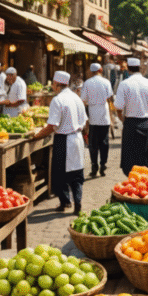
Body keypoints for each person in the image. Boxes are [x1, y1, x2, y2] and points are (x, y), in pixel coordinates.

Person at [31, 71, 86, 213]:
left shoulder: (58, 100)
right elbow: (85, 121)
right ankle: (77, 204)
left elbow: (52, 125)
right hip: (78, 139)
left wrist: (37, 136)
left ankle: (65, 202)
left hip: (64, 139)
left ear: (56, 84)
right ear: (66, 84)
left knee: (59, 174)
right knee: (77, 174)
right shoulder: (76, 97)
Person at [114, 58, 148, 175]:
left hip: (130, 124)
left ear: (128, 68)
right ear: (140, 68)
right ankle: (143, 184)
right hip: (146, 123)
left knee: (129, 160)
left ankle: (132, 182)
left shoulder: (124, 84)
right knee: (145, 159)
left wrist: (122, 119)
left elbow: (118, 106)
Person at [81, 63, 114, 177]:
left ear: (91, 71)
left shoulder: (87, 83)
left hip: (93, 116)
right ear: (100, 70)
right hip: (104, 116)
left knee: (93, 144)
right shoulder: (106, 82)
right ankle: (103, 165)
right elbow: (109, 97)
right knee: (104, 142)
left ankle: (94, 166)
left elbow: (83, 100)